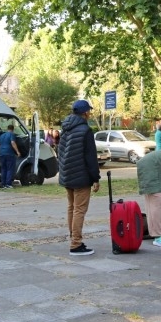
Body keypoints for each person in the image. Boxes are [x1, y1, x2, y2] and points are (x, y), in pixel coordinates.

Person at [58, 100, 100, 256]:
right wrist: (95, 178)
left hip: (67, 174)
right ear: (85, 113)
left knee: (72, 208)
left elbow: (60, 151)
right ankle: (76, 244)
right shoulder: (85, 130)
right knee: (79, 210)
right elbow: (90, 157)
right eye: (89, 111)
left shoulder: (65, 128)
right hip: (81, 176)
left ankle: (73, 238)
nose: (90, 114)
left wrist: (63, 171)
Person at [0, 123, 20, 190]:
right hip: (9, 154)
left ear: (7, 129)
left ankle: (3, 184)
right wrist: (17, 151)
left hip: (2, 154)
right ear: (13, 129)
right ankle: (8, 184)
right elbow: (13, 143)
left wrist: (1, 150)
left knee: (3, 169)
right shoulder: (11, 134)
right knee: (9, 169)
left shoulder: (2, 135)